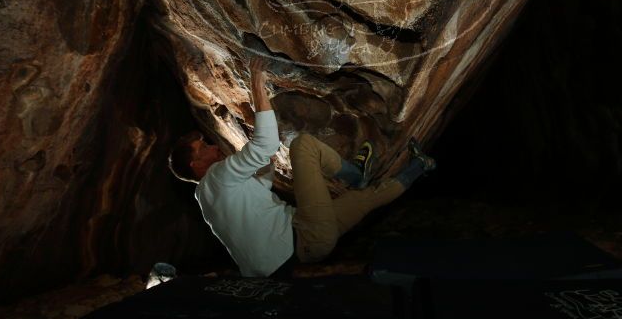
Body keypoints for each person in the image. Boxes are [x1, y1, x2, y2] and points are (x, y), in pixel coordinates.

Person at [168, 57, 436, 277]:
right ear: (196, 165)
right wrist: (257, 85)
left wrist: (267, 164)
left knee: (365, 200)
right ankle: (355, 175)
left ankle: (420, 166)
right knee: (303, 145)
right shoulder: (216, 177)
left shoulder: (206, 199)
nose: (213, 147)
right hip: (305, 234)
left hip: (305, 250)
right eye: (203, 148)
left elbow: (261, 185)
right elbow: (266, 143)